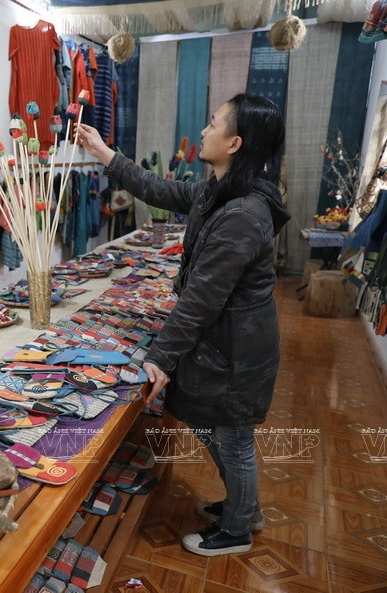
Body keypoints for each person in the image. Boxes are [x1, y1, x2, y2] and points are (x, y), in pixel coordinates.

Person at [75, 93, 291, 556]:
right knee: (219, 430)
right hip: (227, 341)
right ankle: (244, 506)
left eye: (214, 124)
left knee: (231, 437)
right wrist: (105, 154)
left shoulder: (243, 214)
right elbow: (164, 191)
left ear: (234, 143)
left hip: (237, 351)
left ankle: (237, 529)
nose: (204, 131)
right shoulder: (222, 191)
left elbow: (200, 301)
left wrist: (160, 358)